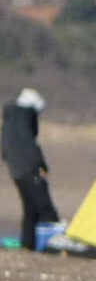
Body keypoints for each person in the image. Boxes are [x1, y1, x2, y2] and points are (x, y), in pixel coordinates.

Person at [2, 88, 60, 250]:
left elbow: (7, 149)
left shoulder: (10, 118)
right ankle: (54, 242)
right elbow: (30, 145)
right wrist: (41, 166)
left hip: (16, 170)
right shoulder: (24, 116)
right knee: (44, 206)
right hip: (29, 168)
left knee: (30, 209)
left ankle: (28, 244)